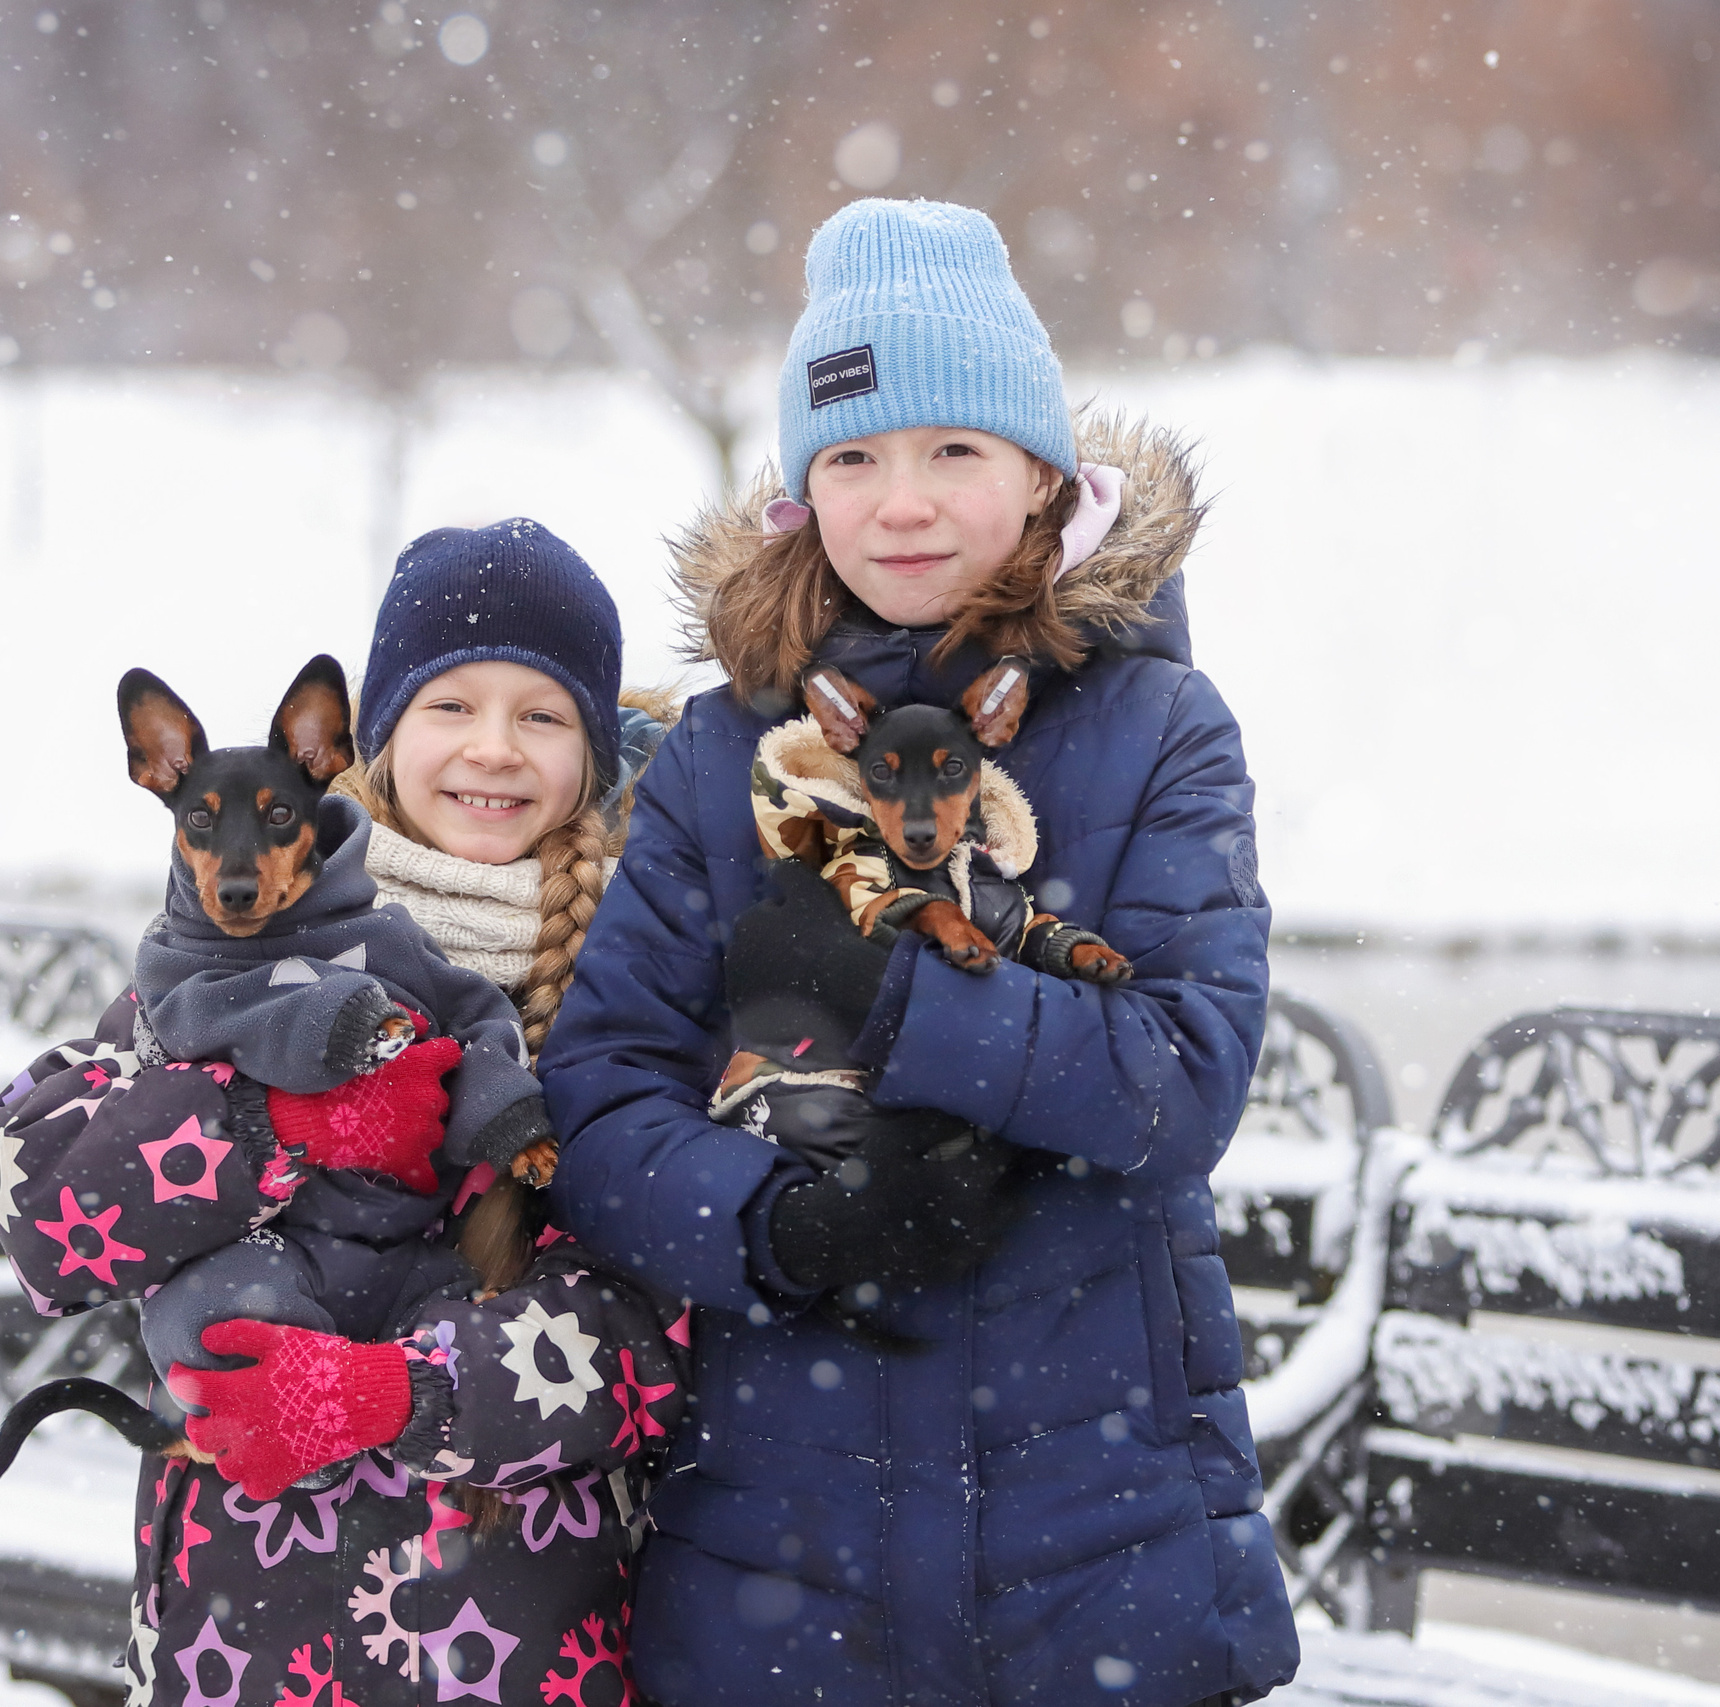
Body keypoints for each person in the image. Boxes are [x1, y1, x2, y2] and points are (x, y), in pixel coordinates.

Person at [541, 199, 1301, 1706]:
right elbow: (603, 1096)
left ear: (1039, 472)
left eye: (954, 449)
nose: (903, 503)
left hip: (1103, 1555)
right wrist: (784, 1227)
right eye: (854, 457)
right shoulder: (719, 756)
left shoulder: (1160, 730)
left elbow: (1179, 1085)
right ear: (802, 491)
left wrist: (896, 992)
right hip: (778, 1558)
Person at [0, 519, 685, 1707]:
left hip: (508, 1642)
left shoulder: (642, 985)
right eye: (450, 707)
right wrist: (271, 1126)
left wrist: (400, 1394)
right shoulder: (228, 954)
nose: (492, 751)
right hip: (240, 1642)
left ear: (595, 748)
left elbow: (656, 1351)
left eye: (543, 715)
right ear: (373, 737)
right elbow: (39, 1205)